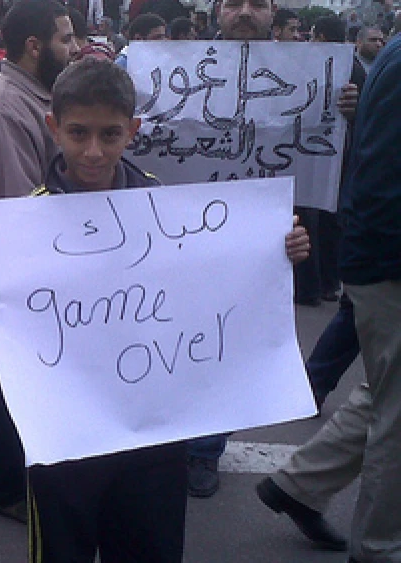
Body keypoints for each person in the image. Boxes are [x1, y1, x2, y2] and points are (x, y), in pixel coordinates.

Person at [27, 57, 310, 563]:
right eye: (78, 133)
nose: (93, 151)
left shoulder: (165, 205)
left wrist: (274, 253)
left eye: (110, 134)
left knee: (150, 548)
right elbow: (1, 334)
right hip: (65, 442)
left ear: (133, 131)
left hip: (154, 439)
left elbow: (215, 286)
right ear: (53, 127)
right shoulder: (24, 222)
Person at [183, 0, 359, 500]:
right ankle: (169, 439)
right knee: (180, 340)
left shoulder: (309, 78)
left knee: (233, 348)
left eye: (255, 4)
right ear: (217, 12)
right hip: (186, 234)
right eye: (233, 3)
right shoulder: (176, 69)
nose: (244, 12)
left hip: (261, 239)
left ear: (273, 13)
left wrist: (347, 115)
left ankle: (204, 450)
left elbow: (327, 157)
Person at [258, 32, 401, 563]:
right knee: (397, 408)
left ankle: (298, 486)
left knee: (383, 390)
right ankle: (381, 544)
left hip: (380, 256)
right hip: (391, 261)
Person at [0, 0, 80, 523]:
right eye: (65, 39)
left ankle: (12, 480)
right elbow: (17, 213)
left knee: (25, 381)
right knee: (19, 383)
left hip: (36, 271)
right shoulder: (6, 110)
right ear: (35, 47)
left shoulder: (36, 99)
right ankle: (7, 488)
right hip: (16, 275)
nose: (75, 49)